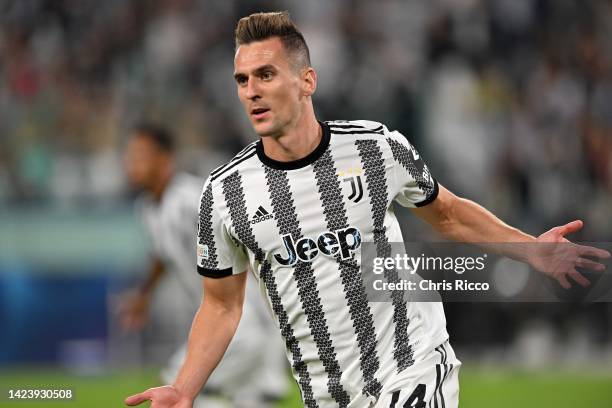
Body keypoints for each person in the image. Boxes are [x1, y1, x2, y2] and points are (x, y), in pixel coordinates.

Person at [125, 12, 609, 408]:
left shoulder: (376, 148)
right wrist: (184, 387)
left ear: (306, 80)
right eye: (242, 79)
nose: (251, 90)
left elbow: (448, 214)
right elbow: (221, 304)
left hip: (414, 367)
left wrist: (532, 251)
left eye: (266, 74)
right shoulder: (225, 192)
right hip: (327, 396)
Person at [121, 124, 288, 408]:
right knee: (252, 400)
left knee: (179, 387)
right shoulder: (149, 209)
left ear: (165, 159)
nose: (133, 164)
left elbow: (241, 232)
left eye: (141, 155)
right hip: (234, 321)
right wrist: (144, 295)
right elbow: (162, 254)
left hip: (242, 318)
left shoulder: (189, 198)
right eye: (131, 156)